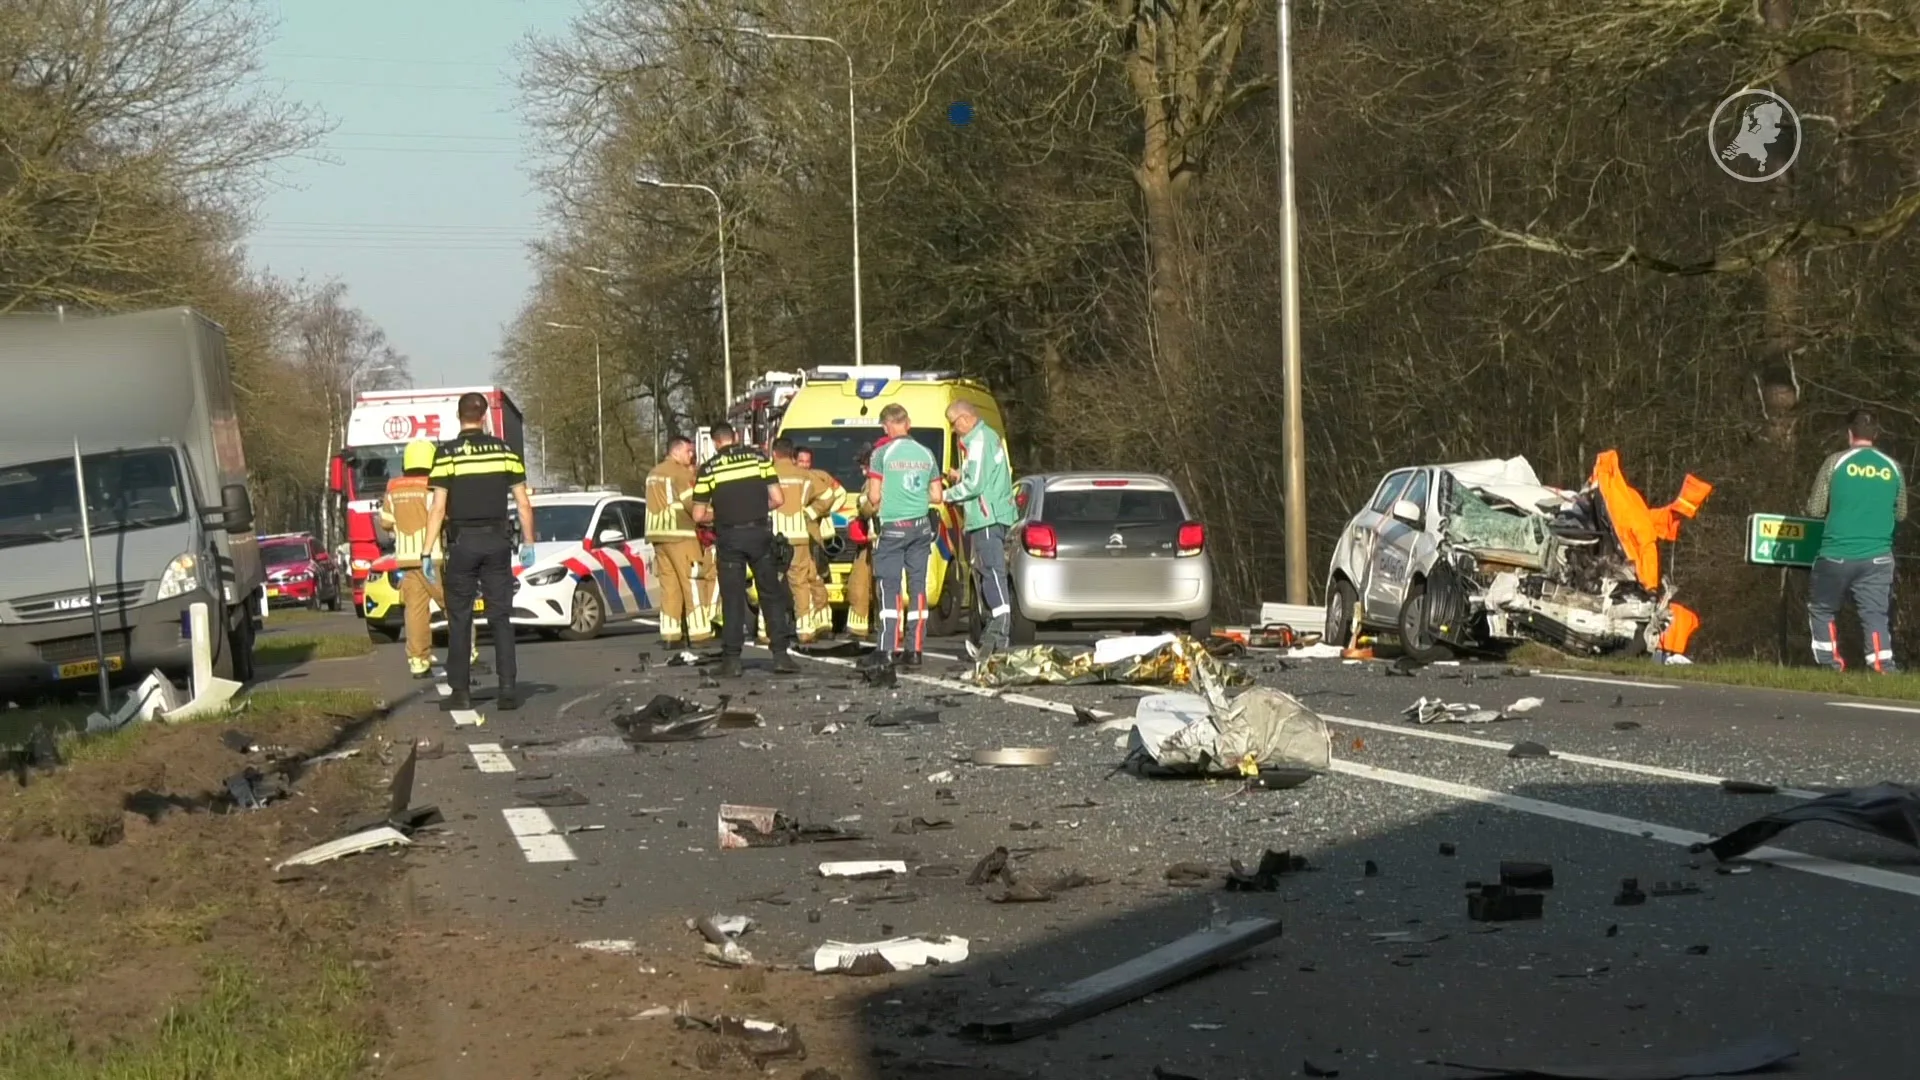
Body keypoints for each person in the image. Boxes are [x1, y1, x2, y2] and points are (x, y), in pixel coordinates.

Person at [422, 392, 536, 710]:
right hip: (498, 542)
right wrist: (528, 543)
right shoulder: (505, 452)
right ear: (484, 416)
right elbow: (524, 504)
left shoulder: (447, 454)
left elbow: (438, 508)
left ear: (459, 417)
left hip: (463, 544)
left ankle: (460, 693)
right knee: (501, 617)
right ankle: (508, 689)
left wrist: (427, 551)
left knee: (460, 617)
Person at [690, 422, 800, 677]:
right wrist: (756, 510)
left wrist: (724, 515)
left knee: (732, 599)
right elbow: (778, 499)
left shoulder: (708, 469)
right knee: (770, 595)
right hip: (759, 534)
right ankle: (781, 656)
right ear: (736, 437)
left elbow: (697, 515)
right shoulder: (759, 459)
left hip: (730, 537)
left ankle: (732, 661)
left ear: (716, 443)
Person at [1806, 409, 1907, 672]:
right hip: (1879, 556)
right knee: (1874, 614)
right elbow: (1902, 512)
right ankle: (1882, 665)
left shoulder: (1835, 462)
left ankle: (1830, 664)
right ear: (1876, 435)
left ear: (1849, 433)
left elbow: (1815, 508)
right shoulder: (1893, 467)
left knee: (1822, 608)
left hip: (1836, 552)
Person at [377, 438, 473, 678]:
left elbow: (386, 522)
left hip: (406, 559)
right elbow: (444, 515)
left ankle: (418, 661)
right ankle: (467, 651)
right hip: (433, 558)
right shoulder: (433, 485)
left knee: (415, 611)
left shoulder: (393, 488)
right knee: (453, 603)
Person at [865, 405, 943, 666]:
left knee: (889, 586)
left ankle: (887, 648)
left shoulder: (881, 454)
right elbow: (937, 496)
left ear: (887, 426)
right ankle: (915, 649)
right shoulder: (927, 453)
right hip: (921, 527)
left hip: (893, 527)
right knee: (917, 587)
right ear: (907, 423)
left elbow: (874, 496)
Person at [942, 401, 1019, 658]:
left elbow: (974, 486)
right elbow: (982, 477)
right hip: (994, 515)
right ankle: (993, 636)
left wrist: (943, 495)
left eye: (954, 424)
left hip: (987, 518)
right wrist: (960, 475)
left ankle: (998, 637)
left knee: (991, 575)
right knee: (989, 574)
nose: (954, 430)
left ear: (965, 419)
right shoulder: (988, 437)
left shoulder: (978, 442)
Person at [762, 439, 838, 644]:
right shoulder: (805, 475)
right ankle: (805, 629)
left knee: (769, 581)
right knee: (801, 583)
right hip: (799, 535)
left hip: (772, 535)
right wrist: (809, 513)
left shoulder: (765, 471)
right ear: (791, 455)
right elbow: (830, 495)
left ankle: (765, 630)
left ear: (774, 453)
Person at [645, 436, 716, 649]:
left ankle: (670, 635)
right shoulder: (679, 473)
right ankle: (699, 634)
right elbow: (693, 505)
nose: (691, 455)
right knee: (692, 581)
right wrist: (715, 514)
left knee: (669, 586)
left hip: (658, 537)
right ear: (676, 451)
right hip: (681, 535)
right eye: (688, 451)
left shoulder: (653, 473)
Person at [798, 448, 844, 633]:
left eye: (807, 461)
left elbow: (839, 494)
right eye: (801, 461)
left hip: (814, 534)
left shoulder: (820, 477)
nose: (805, 465)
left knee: (815, 575)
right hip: (794, 534)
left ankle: (821, 621)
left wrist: (819, 512)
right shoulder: (790, 478)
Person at [844, 442, 882, 640]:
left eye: (864, 465)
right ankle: (875, 626)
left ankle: (865, 627)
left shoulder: (874, 483)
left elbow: (871, 507)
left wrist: (861, 507)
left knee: (866, 583)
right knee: (870, 582)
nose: (862, 469)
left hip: (876, 541)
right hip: (873, 540)